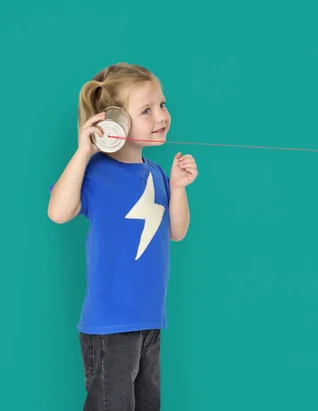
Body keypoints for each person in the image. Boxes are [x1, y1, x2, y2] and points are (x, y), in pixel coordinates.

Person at [47, 62, 198, 411]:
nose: (162, 115)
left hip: (150, 322)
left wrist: (178, 187)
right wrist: (85, 152)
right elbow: (58, 212)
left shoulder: (158, 173)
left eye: (162, 104)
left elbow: (176, 232)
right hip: (110, 327)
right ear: (114, 122)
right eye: (147, 110)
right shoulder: (95, 172)